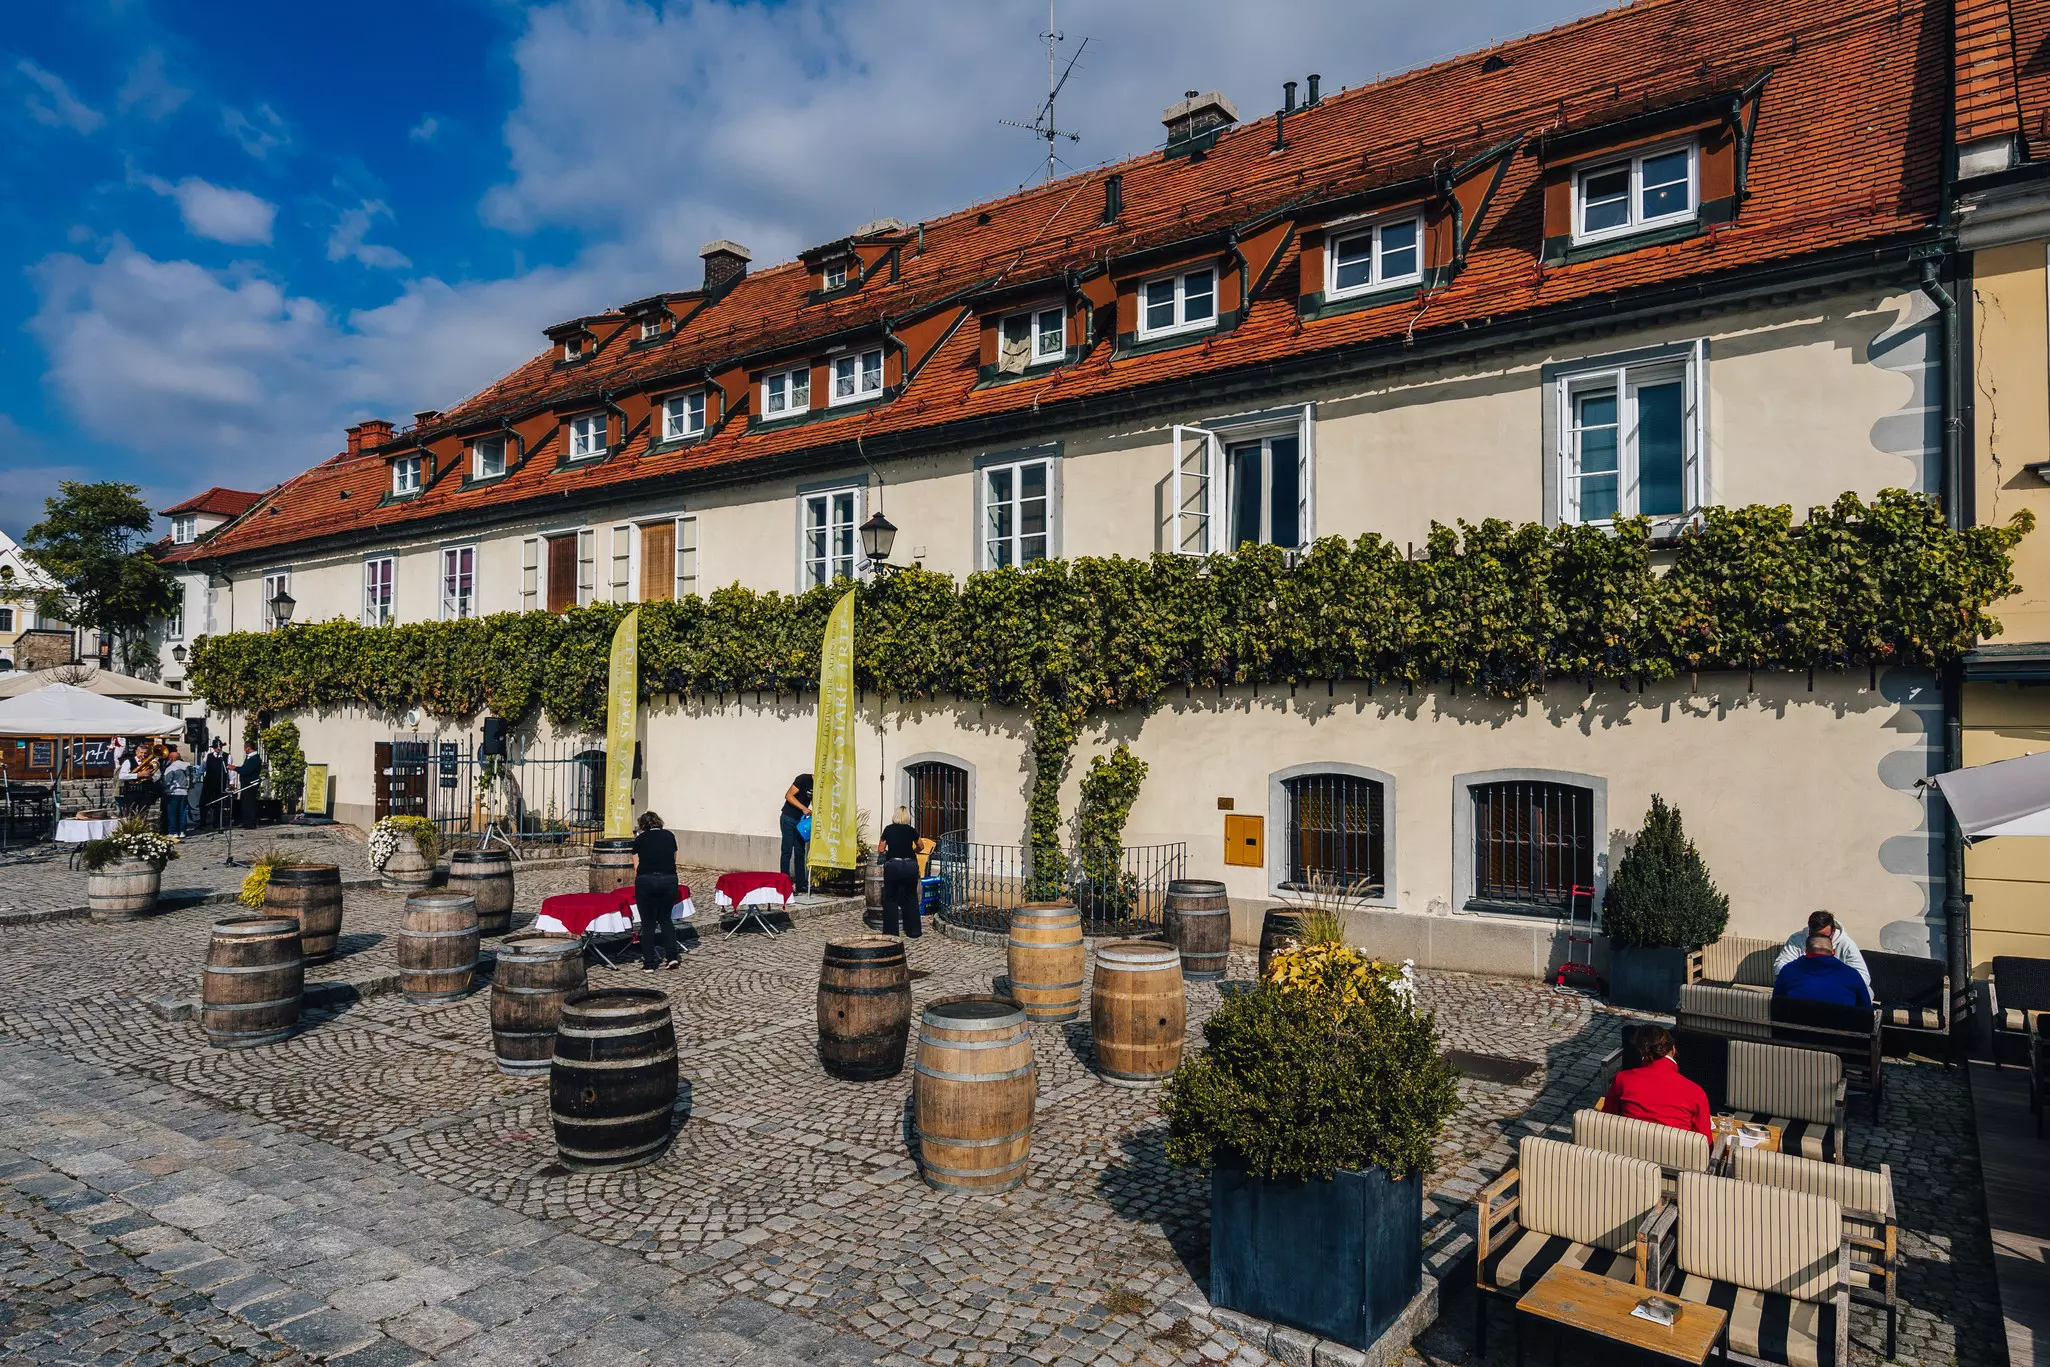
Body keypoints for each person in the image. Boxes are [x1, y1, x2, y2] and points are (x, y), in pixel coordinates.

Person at [1600, 1024, 1712, 1140]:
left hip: (1628, 1149)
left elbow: (1606, 1121)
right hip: (1675, 1150)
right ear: (1673, 1050)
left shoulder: (1623, 1080)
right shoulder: (1695, 1092)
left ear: (1641, 1051)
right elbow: (1705, 1142)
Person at [631, 811, 683, 971]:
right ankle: (672, 957)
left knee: (648, 924)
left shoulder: (639, 839)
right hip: (668, 879)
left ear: (643, 825)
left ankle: (649, 963)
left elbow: (636, 867)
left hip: (646, 880)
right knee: (666, 920)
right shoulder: (669, 836)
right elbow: (673, 859)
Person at [1771, 911, 1871, 990]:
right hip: (1804, 988)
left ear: (1833, 931)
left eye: (1824, 936)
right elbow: (1781, 966)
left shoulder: (1846, 944)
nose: (1819, 940)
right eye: (1814, 935)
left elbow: (1863, 977)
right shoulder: (1797, 940)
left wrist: (1833, 983)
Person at [1773, 932, 1874, 1010]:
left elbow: (1776, 1002)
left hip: (1795, 1029)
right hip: (1839, 1030)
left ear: (1805, 951)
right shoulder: (1852, 975)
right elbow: (1866, 1009)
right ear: (1833, 952)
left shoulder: (1788, 971)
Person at [877, 806, 923, 938]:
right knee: (911, 897)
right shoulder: (911, 830)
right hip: (910, 866)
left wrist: (888, 853)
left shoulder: (888, 829)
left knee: (891, 898)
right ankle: (914, 931)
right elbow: (921, 846)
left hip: (893, 866)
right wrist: (913, 852)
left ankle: (891, 932)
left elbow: (880, 849)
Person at [780, 772, 813, 895]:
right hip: (788, 818)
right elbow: (788, 795)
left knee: (800, 852)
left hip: (801, 822)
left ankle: (801, 884)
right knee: (787, 851)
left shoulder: (819, 787)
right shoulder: (803, 779)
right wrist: (803, 808)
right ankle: (784, 884)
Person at [160, 749, 193, 836]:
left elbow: (167, 782)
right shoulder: (187, 767)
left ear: (171, 759)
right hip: (184, 792)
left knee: (172, 813)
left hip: (173, 792)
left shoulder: (171, 768)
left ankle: (173, 832)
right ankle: (182, 831)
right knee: (182, 813)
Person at [199, 740, 229, 831]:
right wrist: (197, 777)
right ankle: (202, 822)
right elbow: (202, 768)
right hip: (209, 782)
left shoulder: (226, 756)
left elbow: (229, 770)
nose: (218, 749)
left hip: (220, 782)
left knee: (218, 802)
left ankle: (217, 822)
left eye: (219, 747)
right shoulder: (208, 756)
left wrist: (231, 782)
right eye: (216, 747)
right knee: (203, 802)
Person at [236, 740, 265, 829]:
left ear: (248, 748)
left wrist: (235, 768)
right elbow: (244, 768)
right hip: (245, 784)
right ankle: (246, 822)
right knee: (245, 803)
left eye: (245, 747)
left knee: (250, 803)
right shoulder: (249, 757)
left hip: (250, 784)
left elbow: (247, 770)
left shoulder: (255, 758)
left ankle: (251, 823)